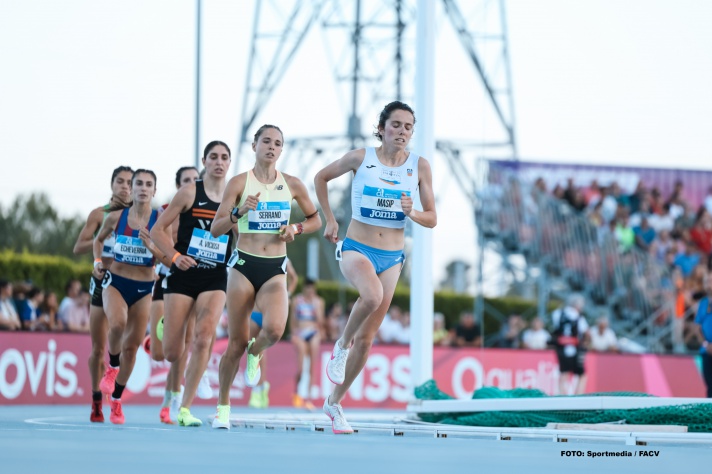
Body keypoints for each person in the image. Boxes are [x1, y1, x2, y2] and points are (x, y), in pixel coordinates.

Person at [314, 101, 436, 434]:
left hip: (392, 257)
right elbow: (321, 177)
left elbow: (432, 218)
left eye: (408, 127)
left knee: (367, 341)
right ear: (381, 128)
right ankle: (341, 346)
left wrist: (413, 213)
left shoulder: (419, 166)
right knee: (371, 296)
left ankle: (334, 403)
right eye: (395, 125)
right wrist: (329, 218)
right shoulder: (360, 158)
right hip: (356, 248)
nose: (402, 131)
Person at [210, 124, 321, 429]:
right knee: (234, 342)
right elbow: (216, 229)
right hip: (244, 265)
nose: (272, 147)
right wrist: (238, 213)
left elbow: (315, 220)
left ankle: (255, 352)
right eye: (266, 141)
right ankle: (223, 407)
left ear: (281, 150)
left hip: (274, 267)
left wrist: (295, 228)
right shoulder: (238, 183)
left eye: (278, 143)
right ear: (255, 145)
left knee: (273, 330)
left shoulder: (293, 185)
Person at [150, 142, 235, 427]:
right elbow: (157, 230)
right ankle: (164, 326)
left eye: (224, 157)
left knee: (203, 336)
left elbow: (246, 236)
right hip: (184, 274)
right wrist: (175, 257)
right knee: (173, 352)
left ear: (230, 162)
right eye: (213, 157)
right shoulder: (189, 193)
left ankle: (185, 409)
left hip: (215, 276)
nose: (219, 162)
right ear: (204, 161)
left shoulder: (234, 196)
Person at [93, 169, 167, 424]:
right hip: (116, 281)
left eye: (149, 184)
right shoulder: (116, 217)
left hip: (145, 288)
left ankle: (117, 401)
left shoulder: (160, 220)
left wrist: (152, 247)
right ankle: (112, 368)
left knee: (132, 347)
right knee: (116, 323)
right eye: (139, 184)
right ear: (132, 189)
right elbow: (98, 240)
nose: (143, 188)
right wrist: (96, 262)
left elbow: (167, 256)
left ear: (154, 190)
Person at [73, 165, 133, 422]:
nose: (125, 187)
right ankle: (97, 397)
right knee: (98, 349)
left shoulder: (137, 215)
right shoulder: (100, 214)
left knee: (126, 346)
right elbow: (79, 246)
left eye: (130, 183)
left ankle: (116, 399)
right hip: (101, 280)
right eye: (120, 182)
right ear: (112, 185)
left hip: (127, 282)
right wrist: (102, 239)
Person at [145, 165, 202, 425]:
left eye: (195, 179)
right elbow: (160, 247)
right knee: (160, 354)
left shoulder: (206, 210)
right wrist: (171, 260)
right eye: (187, 180)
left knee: (185, 344)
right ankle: (154, 338)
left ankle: (173, 398)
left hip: (191, 280)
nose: (192, 183)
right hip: (166, 275)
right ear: (179, 185)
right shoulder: (167, 211)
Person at [248, 259, 297, 409]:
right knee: (252, 347)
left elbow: (294, 277)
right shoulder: (252, 251)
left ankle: (259, 387)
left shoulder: (282, 257)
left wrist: (287, 294)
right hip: (253, 310)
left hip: (269, 309)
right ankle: (259, 387)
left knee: (260, 347)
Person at [290, 278, 325, 409]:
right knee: (300, 368)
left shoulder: (319, 301)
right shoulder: (297, 300)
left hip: (313, 332)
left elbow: (320, 321)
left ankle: (309, 399)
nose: (310, 291)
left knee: (312, 367)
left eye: (312, 288)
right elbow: (293, 321)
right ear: (304, 288)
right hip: (300, 333)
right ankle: (297, 391)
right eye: (308, 288)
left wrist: (317, 308)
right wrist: (293, 335)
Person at [552, 293, 590, 395]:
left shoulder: (557, 313)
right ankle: (578, 395)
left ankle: (562, 395)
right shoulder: (579, 317)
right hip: (575, 348)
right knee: (582, 375)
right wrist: (585, 343)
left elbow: (556, 328)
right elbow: (586, 332)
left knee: (564, 373)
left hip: (561, 347)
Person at [694, 291, 712, 397]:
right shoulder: (703, 303)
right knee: (710, 385)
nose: (708, 284)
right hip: (706, 351)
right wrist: (706, 345)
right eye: (707, 281)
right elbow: (697, 327)